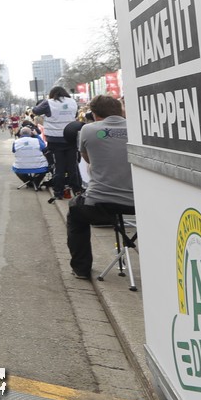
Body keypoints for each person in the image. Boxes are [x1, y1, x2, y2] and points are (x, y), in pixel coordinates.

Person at [66, 95, 134, 280]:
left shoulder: (88, 129)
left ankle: (81, 268)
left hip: (99, 205)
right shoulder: (137, 128)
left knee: (75, 212)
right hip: (137, 204)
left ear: (95, 114)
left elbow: (88, 159)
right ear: (120, 110)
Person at [33, 86, 82, 203]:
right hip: (71, 138)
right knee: (73, 166)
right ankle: (77, 191)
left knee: (59, 167)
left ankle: (58, 192)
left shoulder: (49, 103)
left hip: (55, 140)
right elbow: (75, 115)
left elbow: (35, 110)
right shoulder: (72, 102)